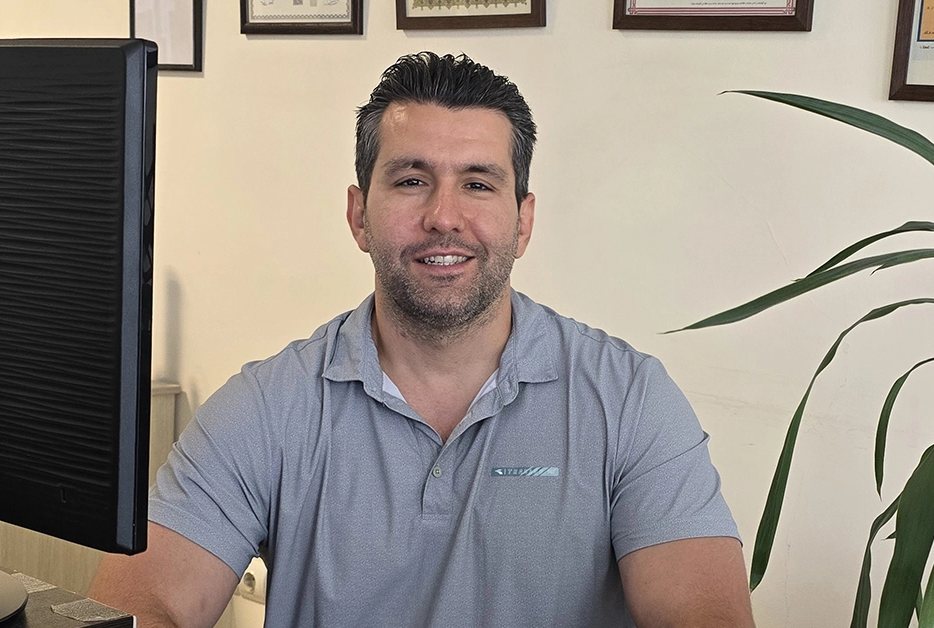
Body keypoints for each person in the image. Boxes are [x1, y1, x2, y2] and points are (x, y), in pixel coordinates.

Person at [89, 51, 754, 628]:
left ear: (523, 222)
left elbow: (703, 613)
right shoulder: (268, 406)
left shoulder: (629, 400)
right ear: (359, 215)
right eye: (412, 181)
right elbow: (141, 602)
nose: (443, 216)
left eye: (478, 184)